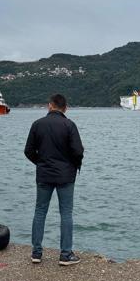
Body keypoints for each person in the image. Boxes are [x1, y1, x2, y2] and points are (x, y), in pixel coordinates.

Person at [24, 93, 84, 266]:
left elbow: (28, 151)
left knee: (40, 211)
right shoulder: (69, 125)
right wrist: (72, 165)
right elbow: (78, 151)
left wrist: (41, 163)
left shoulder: (37, 124)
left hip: (44, 174)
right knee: (66, 213)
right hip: (66, 176)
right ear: (65, 108)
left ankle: (36, 253)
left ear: (49, 105)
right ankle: (65, 255)